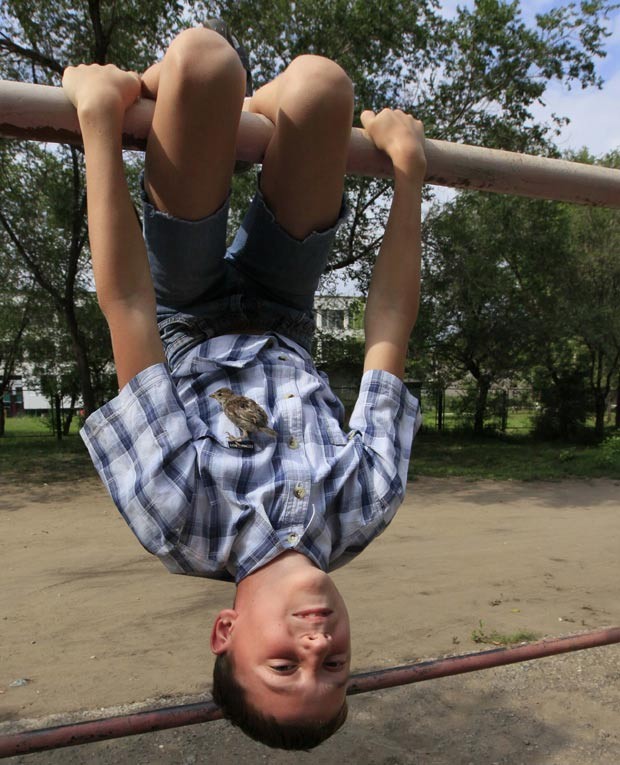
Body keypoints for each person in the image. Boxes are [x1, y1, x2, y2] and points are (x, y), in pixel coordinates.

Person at [66, 23, 425, 751]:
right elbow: (387, 322)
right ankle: (268, 105)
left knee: (202, 63)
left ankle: (226, 101)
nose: (317, 643)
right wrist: (409, 172)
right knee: (325, 87)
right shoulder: (364, 501)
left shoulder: (179, 513)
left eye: (285, 663)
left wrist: (99, 123)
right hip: (284, 310)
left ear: (225, 630)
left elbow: (129, 305)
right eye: (336, 664)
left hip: (183, 310)